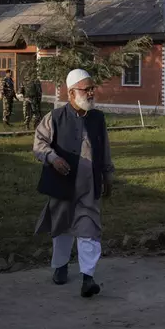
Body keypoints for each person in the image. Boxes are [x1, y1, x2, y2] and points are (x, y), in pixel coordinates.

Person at [33, 68, 114, 298]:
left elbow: (105, 149)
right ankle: (60, 266)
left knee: (89, 229)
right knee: (62, 228)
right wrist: (53, 158)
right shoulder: (55, 117)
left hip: (89, 187)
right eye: (86, 89)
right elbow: (39, 144)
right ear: (71, 93)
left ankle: (88, 277)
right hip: (63, 185)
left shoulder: (98, 118)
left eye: (92, 89)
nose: (91, 93)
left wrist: (108, 175)